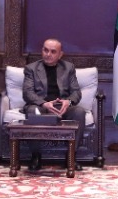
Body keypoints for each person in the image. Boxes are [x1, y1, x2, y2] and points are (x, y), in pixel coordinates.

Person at [20, 39, 87, 172]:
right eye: (45, 50)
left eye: (53, 51)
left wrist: (68, 102)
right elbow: (27, 93)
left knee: (79, 111)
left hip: (61, 106)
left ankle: (71, 157)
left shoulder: (68, 68)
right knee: (33, 111)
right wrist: (44, 103)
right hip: (41, 106)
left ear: (60, 54)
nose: (48, 54)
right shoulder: (31, 69)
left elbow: (76, 92)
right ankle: (36, 157)